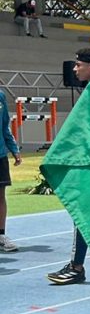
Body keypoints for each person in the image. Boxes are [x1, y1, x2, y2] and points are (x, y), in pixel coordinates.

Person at [48, 48, 90, 285]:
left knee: (84, 214)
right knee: (84, 214)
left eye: (78, 64)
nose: (74, 68)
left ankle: (77, 266)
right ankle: (76, 266)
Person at [0, 87, 22, 251]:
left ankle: (1, 235)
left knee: (0, 196)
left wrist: (14, 149)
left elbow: (5, 125)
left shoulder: (0, 96)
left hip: (0, 154)